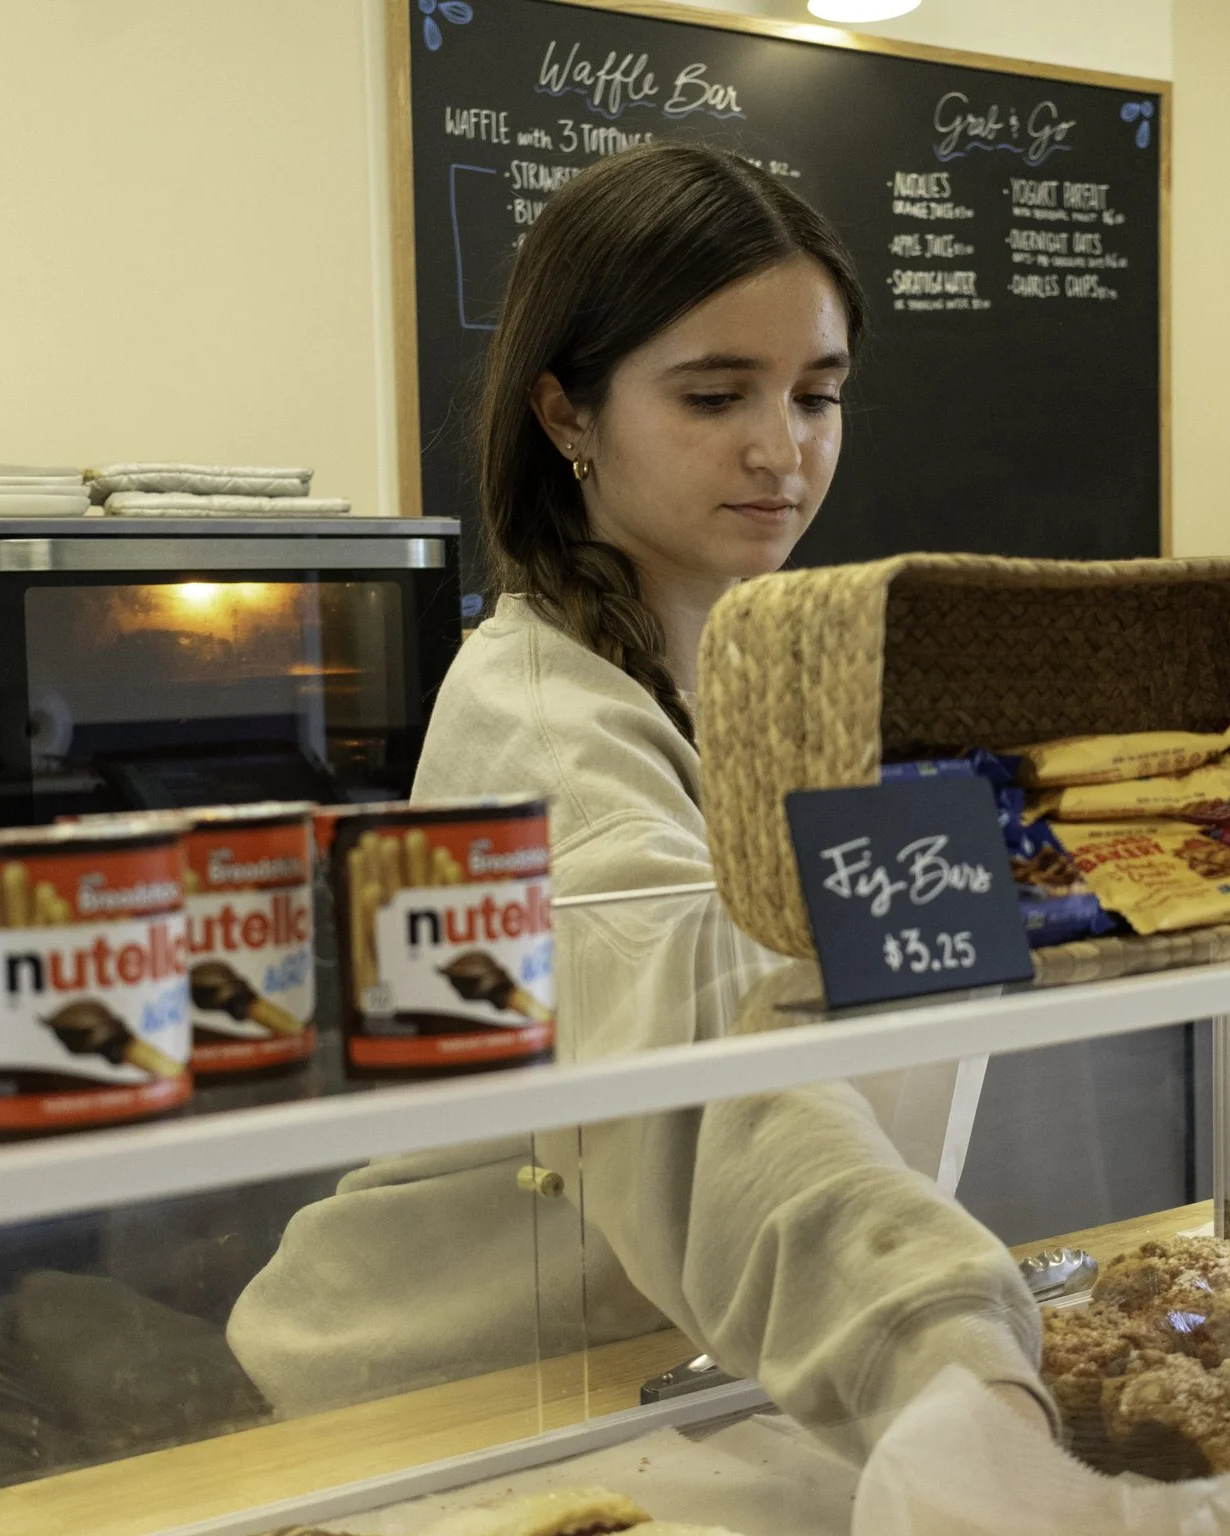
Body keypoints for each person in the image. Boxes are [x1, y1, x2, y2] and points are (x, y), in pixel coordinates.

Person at [229, 144, 1047, 1451]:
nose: (781, 450)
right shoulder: (545, 733)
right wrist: (953, 1362)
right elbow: (718, 1087)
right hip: (438, 1402)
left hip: (678, 1367)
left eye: (818, 395)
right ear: (567, 417)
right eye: (715, 395)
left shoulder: (774, 677)